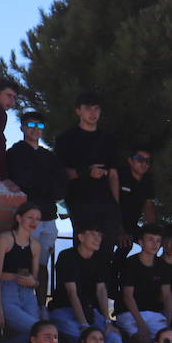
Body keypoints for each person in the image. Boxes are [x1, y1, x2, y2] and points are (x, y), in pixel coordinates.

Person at [46, 222, 124, 343]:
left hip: (90, 312)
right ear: (81, 237)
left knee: (115, 340)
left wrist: (107, 321)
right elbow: (71, 293)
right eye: (93, 234)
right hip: (64, 310)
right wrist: (83, 324)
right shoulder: (67, 257)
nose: (98, 239)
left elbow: (101, 290)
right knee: (84, 340)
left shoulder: (100, 259)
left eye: (99, 235)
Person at [6, 111, 67, 291]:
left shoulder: (50, 156)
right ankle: (24, 302)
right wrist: (46, 184)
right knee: (24, 264)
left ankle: (41, 308)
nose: (35, 129)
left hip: (49, 217)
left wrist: (42, 184)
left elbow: (61, 185)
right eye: (31, 125)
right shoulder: (15, 153)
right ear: (22, 127)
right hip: (27, 217)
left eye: (39, 126)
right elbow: (22, 179)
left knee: (41, 265)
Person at [54, 91, 121, 246]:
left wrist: (116, 208)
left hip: (106, 205)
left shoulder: (108, 139)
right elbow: (60, 174)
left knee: (105, 253)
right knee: (83, 253)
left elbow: (113, 176)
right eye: (88, 108)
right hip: (79, 204)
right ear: (78, 111)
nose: (93, 113)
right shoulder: (65, 139)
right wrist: (86, 172)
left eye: (96, 108)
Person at [0, 201, 45, 343]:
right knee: (37, 331)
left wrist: (33, 283)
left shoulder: (35, 245)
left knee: (41, 331)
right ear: (19, 218)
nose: (34, 222)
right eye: (30, 217)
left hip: (27, 294)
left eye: (38, 219)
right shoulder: (5, 239)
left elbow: (35, 280)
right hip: (5, 292)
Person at [115, 223, 171, 343]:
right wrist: (141, 324)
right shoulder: (130, 264)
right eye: (150, 240)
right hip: (129, 314)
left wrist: (170, 320)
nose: (155, 244)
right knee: (142, 340)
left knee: (169, 339)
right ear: (140, 242)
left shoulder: (162, 265)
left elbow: (167, 295)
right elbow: (127, 296)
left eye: (158, 240)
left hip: (154, 314)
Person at [110, 143, 157, 267]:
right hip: (111, 223)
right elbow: (112, 204)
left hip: (132, 226)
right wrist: (119, 229)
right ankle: (111, 278)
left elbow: (148, 206)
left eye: (148, 161)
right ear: (130, 160)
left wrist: (154, 231)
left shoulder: (147, 180)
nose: (144, 164)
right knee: (123, 245)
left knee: (151, 244)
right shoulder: (119, 176)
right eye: (140, 159)